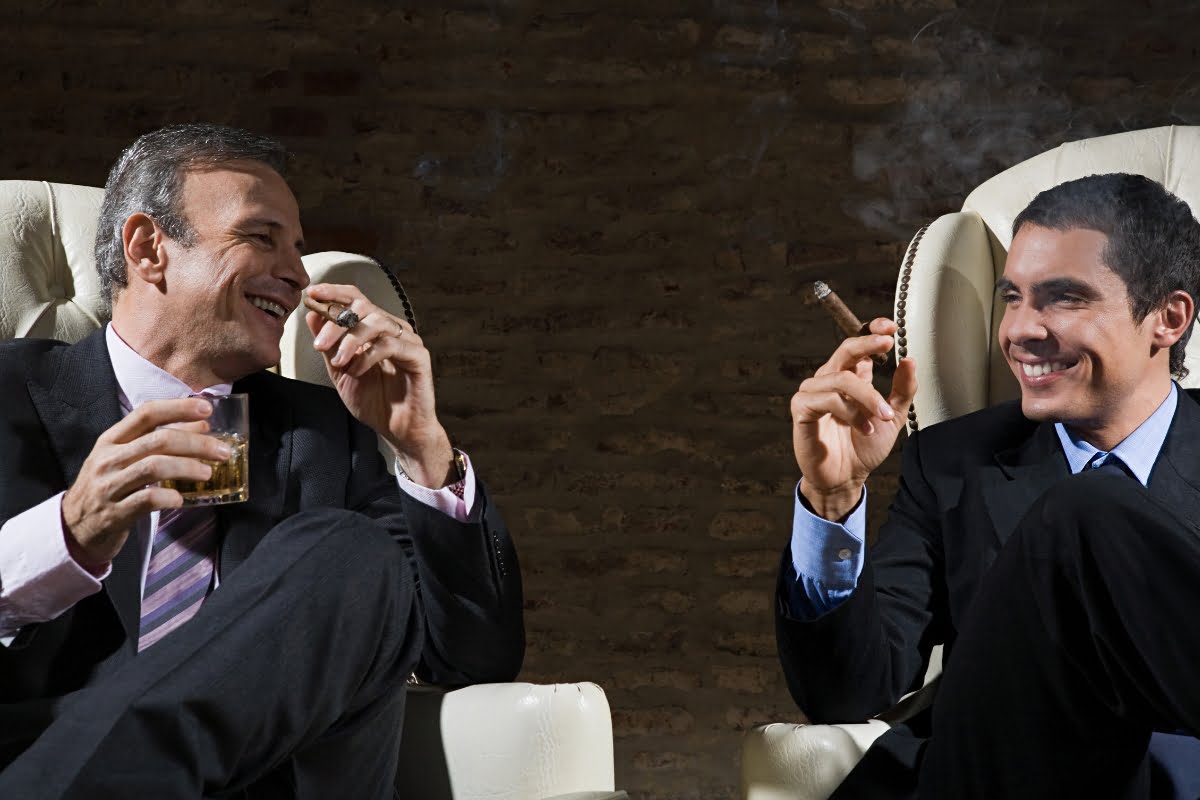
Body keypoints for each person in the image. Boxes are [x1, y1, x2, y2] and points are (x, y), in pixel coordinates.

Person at [0, 123, 524, 798]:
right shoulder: (10, 392)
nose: (298, 274)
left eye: (299, 251)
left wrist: (422, 448)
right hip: (39, 758)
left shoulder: (329, 434)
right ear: (148, 248)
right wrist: (67, 533)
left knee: (353, 552)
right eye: (261, 236)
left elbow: (473, 660)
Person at [779, 172, 1200, 799]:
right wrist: (832, 499)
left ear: (1167, 318)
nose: (1021, 331)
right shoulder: (951, 464)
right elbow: (848, 694)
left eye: (1063, 298)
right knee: (1082, 510)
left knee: (1088, 509)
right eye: (1013, 298)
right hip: (1003, 777)